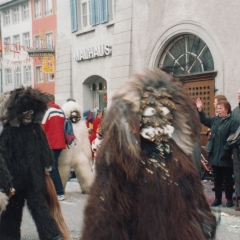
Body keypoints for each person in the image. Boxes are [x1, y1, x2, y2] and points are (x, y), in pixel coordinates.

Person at [81, 69, 216, 240]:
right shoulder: (120, 154)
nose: (160, 123)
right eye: (152, 114)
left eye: (166, 115)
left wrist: (202, 225)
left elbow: (193, 200)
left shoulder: (179, 153)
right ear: (139, 117)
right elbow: (105, 215)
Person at [0, 87, 64, 240]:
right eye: (25, 112)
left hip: (30, 177)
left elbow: (44, 149)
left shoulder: (34, 128)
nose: (28, 116)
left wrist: (47, 167)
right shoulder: (10, 130)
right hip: (19, 178)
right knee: (16, 211)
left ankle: (51, 235)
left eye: (31, 112)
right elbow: (4, 153)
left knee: (38, 207)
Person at [196, 98, 238, 207]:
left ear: (227, 109)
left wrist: (225, 148)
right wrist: (200, 109)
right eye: (217, 108)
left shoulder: (232, 122)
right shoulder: (215, 120)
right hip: (214, 155)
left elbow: (234, 137)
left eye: (220, 108)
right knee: (217, 180)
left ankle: (229, 200)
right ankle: (217, 199)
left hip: (226, 156)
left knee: (228, 179)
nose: (218, 110)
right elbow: (204, 120)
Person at [42, 95, 66, 201]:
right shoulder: (60, 111)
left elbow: (43, 127)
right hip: (60, 143)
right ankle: (55, 191)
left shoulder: (48, 111)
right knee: (53, 167)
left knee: (52, 168)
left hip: (51, 143)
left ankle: (59, 192)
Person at [231, 89, 240, 209]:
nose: (239, 95)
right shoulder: (235, 111)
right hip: (237, 148)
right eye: (238, 93)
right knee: (238, 174)